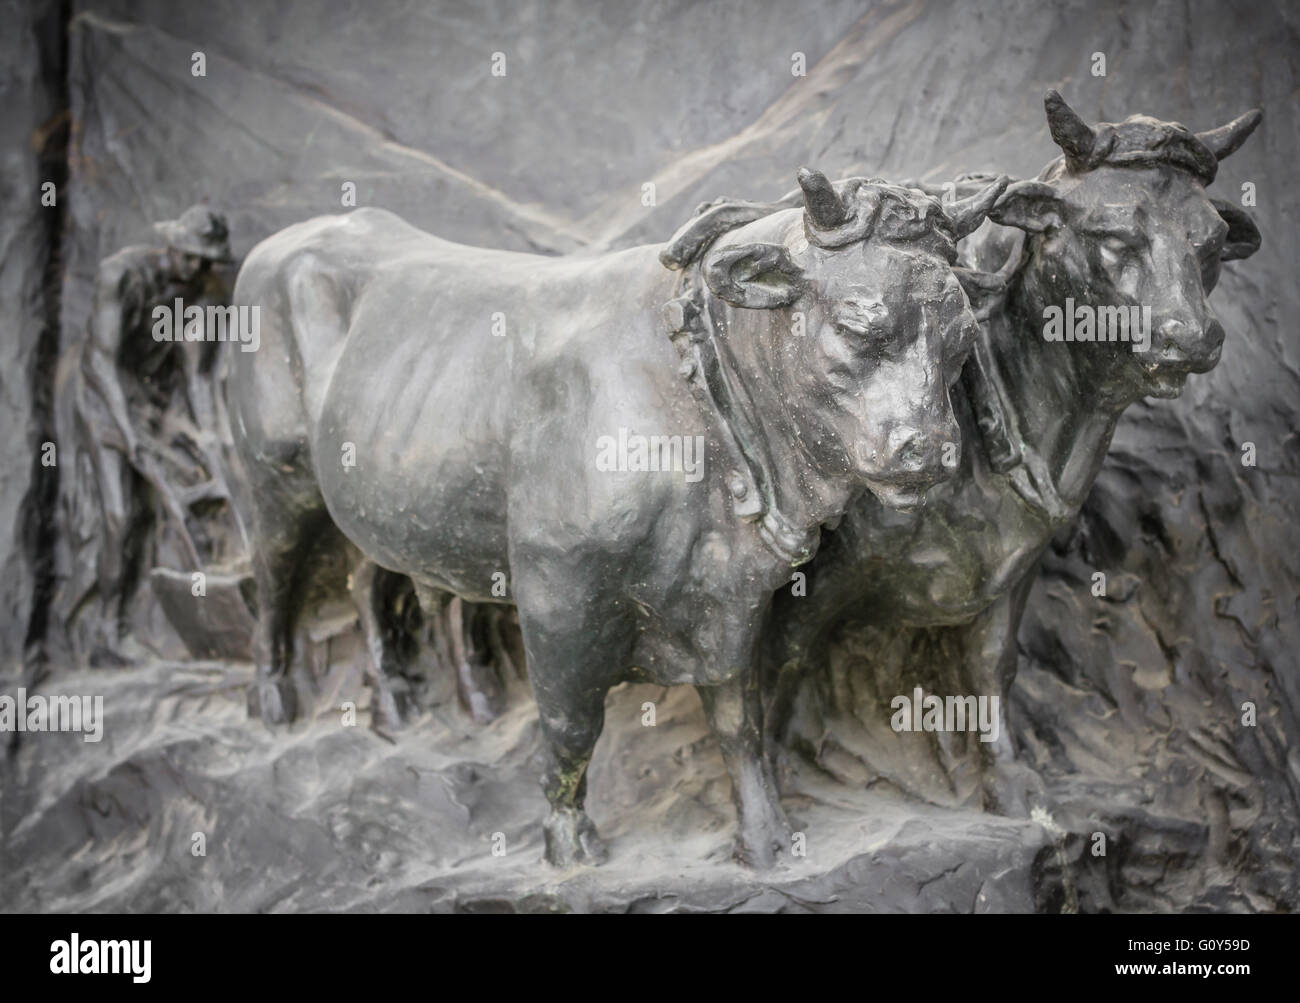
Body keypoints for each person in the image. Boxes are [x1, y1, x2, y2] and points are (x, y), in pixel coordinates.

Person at [75, 204, 234, 663]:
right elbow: (101, 362)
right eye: (192, 257)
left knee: (186, 491)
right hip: (105, 404)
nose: (200, 268)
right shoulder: (120, 274)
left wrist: (207, 434)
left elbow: (197, 374)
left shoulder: (199, 290)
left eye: (208, 261)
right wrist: (129, 436)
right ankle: (107, 632)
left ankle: (180, 615)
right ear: (172, 246)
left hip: (153, 405)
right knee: (120, 516)